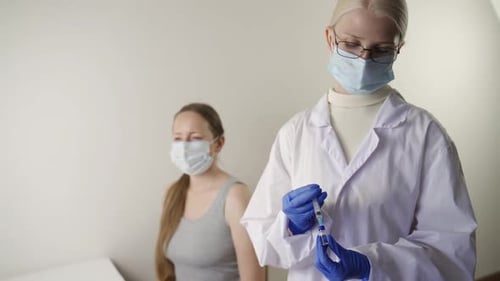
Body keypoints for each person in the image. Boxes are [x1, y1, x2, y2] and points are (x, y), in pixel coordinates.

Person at [240, 0, 477, 280]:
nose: (364, 60)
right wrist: (289, 225)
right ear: (330, 38)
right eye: (351, 44)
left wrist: (372, 265)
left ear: (398, 49)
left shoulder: (425, 135)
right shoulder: (295, 133)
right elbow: (263, 242)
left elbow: (453, 251)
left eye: (381, 50)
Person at [155, 103, 265, 281]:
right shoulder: (172, 193)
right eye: (178, 138)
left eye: (195, 138)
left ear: (219, 143)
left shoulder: (235, 197)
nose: (184, 147)